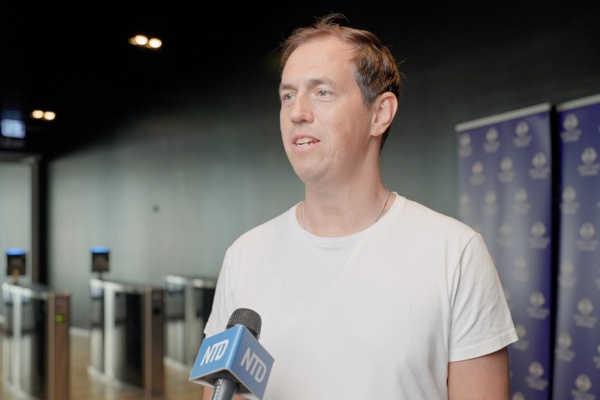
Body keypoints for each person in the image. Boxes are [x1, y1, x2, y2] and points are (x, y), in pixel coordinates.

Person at [202, 12, 518, 400]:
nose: (297, 112)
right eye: (288, 96)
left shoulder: (455, 253)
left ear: (379, 113)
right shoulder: (244, 255)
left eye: (322, 92)